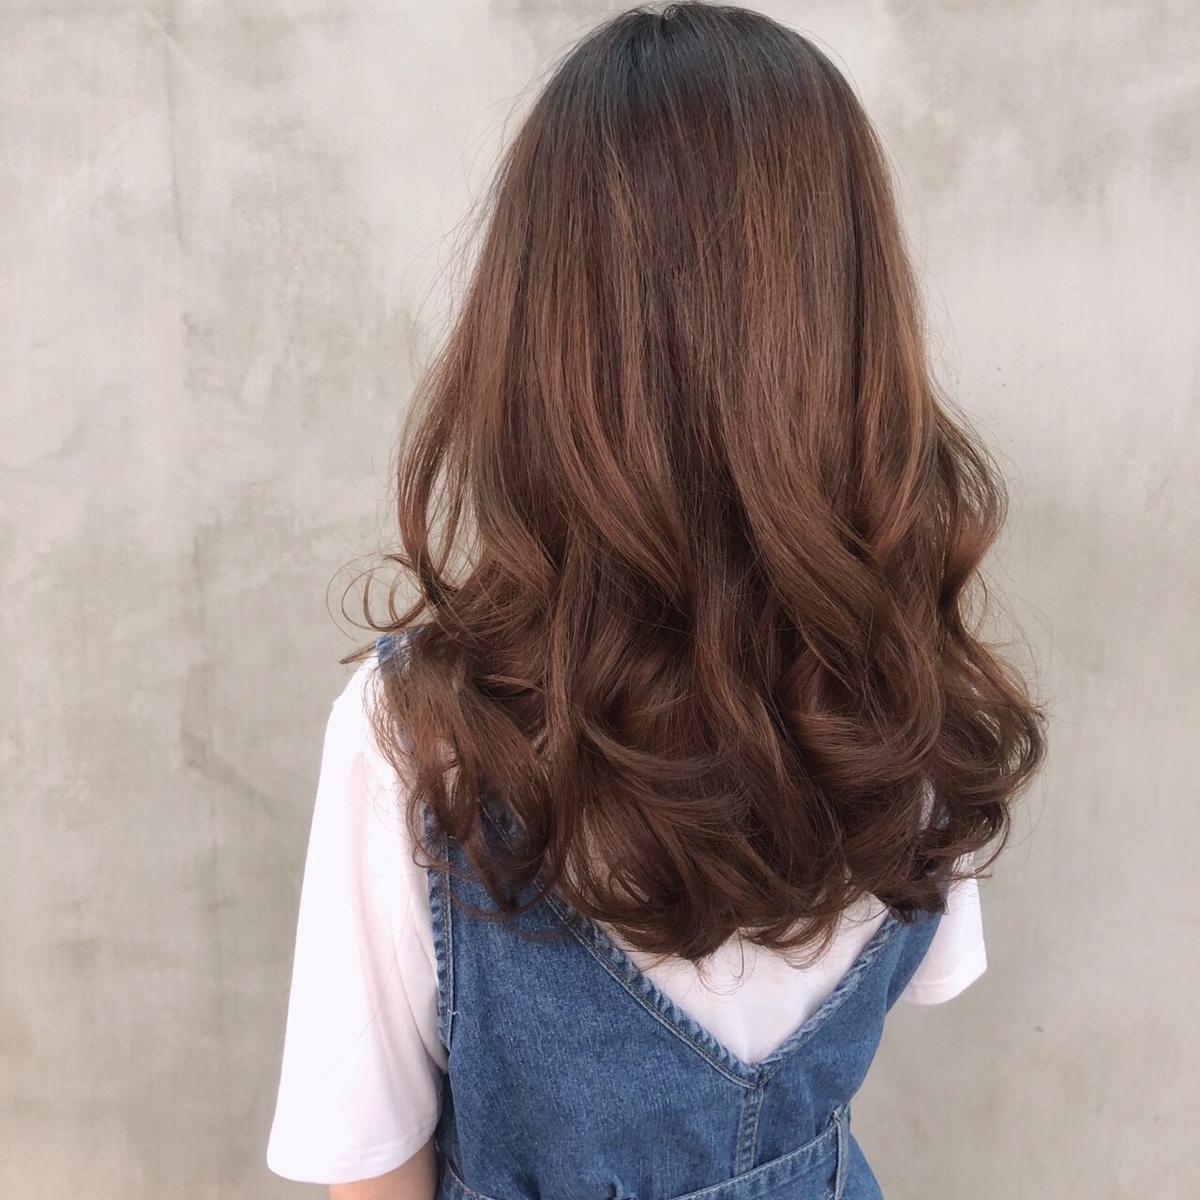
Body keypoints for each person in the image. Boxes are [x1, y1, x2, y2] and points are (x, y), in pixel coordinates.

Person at [266, 4, 1047, 1198]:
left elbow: (371, 1165)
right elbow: (918, 980)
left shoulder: (418, 740)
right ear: (850, 321)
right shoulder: (908, 689)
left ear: (539, 333)